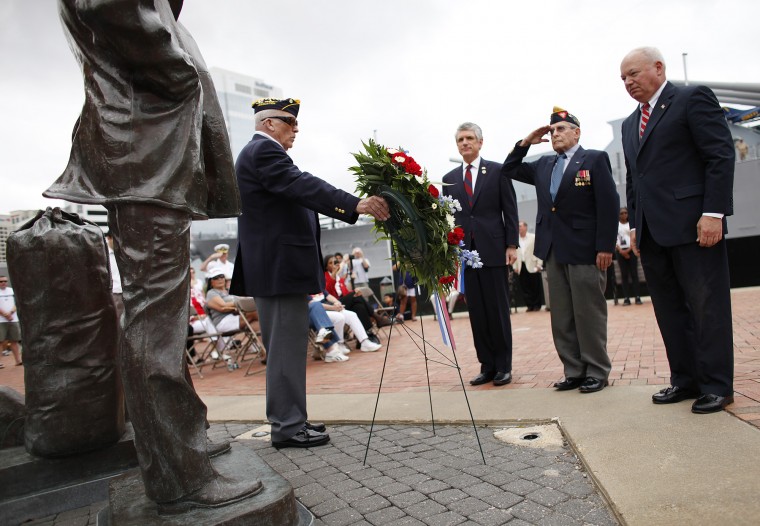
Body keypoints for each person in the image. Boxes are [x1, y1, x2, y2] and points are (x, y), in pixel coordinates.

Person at [42, 1, 259, 511]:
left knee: (160, 317)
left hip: (146, 156)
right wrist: (182, 74)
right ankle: (179, 475)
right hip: (144, 155)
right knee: (155, 321)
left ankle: (183, 445)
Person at [231, 97, 389, 449]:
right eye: (289, 121)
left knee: (287, 348)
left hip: (279, 269)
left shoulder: (261, 154)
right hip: (279, 269)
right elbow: (302, 185)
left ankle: (292, 419)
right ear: (269, 123)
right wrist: (355, 204)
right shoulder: (263, 152)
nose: (296, 128)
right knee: (286, 350)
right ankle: (287, 427)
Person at [620, 47, 735, 413]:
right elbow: (635, 180)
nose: (628, 82)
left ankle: (716, 385)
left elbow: (719, 155)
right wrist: (636, 225)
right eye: (623, 78)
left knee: (706, 307)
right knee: (669, 310)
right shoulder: (628, 124)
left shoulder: (690, 98)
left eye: (633, 74)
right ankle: (684, 380)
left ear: (658, 67)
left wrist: (713, 212)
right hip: (653, 233)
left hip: (695, 225)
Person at [502, 108, 619, 394]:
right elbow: (510, 169)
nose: (556, 134)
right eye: (553, 130)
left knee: (588, 313)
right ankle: (574, 371)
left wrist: (605, 246)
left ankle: (597, 371)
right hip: (553, 250)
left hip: (585, 250)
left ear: (577, 132)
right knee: (562, 316)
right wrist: (527, 140)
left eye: (562, 129)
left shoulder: (594, 159)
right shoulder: (543, 164)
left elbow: (609, 204)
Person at [442, 122, 518, 387]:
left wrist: (512, 245)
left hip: (494, 251)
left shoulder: (498, 171)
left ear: (480, 142)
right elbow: (448, 219)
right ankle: (487, 365)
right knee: (477, 312)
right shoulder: (449, 179)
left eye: (469, 138)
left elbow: (510, 210)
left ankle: (504, 366)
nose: (465, 143)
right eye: (460, 139)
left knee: (497, 310)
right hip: (465, 256)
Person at [514, 221, 543, 312]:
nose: (519, 228)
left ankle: (537, 305)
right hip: (521, 265)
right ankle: (529, 305)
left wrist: (539, 264)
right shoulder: (515, 239)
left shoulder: (533, 237)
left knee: (535, 285)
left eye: (520, 226)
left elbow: (539, 250)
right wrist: (515, 266)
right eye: (518, 226)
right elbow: (514, 252)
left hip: (532, 264)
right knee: (525, 287)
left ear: (525, 227)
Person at [615, 208, 642, 306]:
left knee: (634, 274)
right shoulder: (616, 225)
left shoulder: (631, 225)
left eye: (625, 213)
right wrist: (621, 251)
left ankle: (637, 297)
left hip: (631, 250)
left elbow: (634, 237)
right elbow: (614, 239)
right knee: (624, 275)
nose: (624, 215)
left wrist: (629, 250)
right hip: (620, 251)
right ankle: (626, 297)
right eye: (621, 213)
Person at [0, 276, 23, 367]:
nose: (3, 283)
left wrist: (11, 312)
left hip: (13, 319)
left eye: (5, 281)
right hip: (1, 321)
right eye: (1, 281)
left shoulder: (11, 291)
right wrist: (5, 314)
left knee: (14, 340)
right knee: (0, 341)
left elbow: (17, 303)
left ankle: (18, 360)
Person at [105, 232, 124, 322]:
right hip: (113, 294)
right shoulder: (104, 253)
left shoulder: (122, 252)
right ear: (109, 238)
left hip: (123, 292)